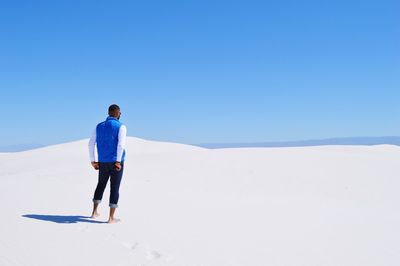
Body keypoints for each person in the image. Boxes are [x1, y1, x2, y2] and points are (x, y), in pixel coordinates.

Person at [88, 104, 127, 223]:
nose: (120, 114)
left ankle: (94, 212)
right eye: (120, 112)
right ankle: (111, 218)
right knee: (114, 188)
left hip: (102, 162)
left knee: (100, 185)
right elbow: (121, 145)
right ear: (116, 113)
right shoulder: (121, 126)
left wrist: (93, 160)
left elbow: (90, 144)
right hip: (116, 161)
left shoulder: (98, 126)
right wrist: (118, 162)